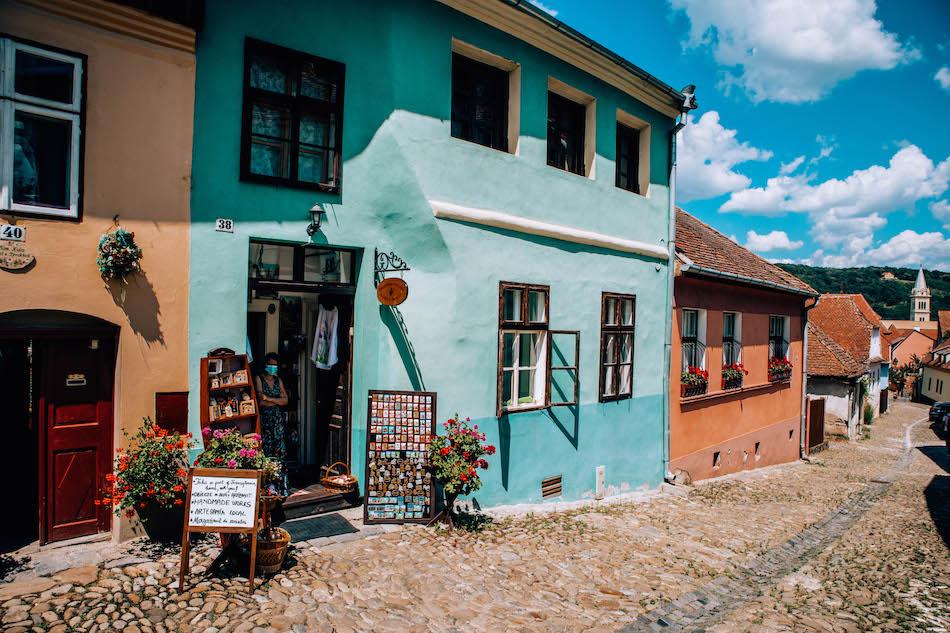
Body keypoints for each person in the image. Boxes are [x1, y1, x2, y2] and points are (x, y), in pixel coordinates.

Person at [255, 353, 289, 496]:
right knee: (267, 451)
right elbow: (260, 401)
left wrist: (269, 399)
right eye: (271, 364)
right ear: (265, 365)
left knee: (280, 452)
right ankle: (269, 487)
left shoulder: (278, 380)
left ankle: (282, 487)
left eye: (275, 365)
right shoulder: (259, 379)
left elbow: (285, 400)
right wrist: (276, 400)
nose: (273, 367)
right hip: (266, 421)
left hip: (277, 421)